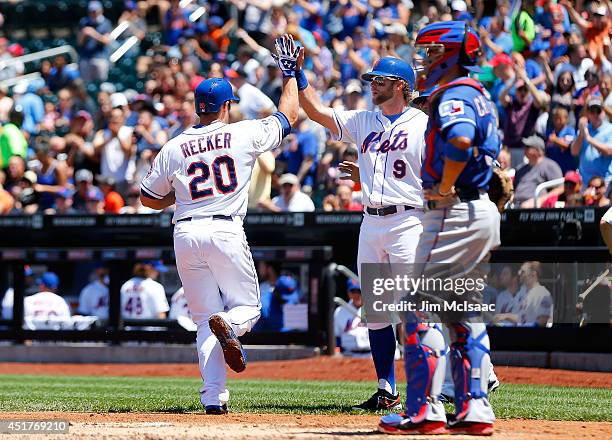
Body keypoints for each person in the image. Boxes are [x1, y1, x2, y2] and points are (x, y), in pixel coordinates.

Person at [139, 34, 301, 414]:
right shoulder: (242, 132)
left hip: (185, 230)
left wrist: (177, 198)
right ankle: (230, 324)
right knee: (247, 309)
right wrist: (290, 73)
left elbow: (147, 198)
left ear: (198, 107)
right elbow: (289, 117)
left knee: (202, 320)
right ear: (227, 105)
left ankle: (214, 399)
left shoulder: (174, 145)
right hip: (225, 228)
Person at [378, 22, 500, 435]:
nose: (425, 60)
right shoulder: (478, 94)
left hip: (453, 210)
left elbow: (461, 140)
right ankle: (475, 407)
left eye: (431, 53)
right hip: (476, 210)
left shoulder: (457, 93)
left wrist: (446, 184)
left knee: (416, 306)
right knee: (459, 311)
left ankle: (423, 408)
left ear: (449, 54)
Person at [297, 53, 427, 411]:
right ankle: (387, 388)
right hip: (370, 221)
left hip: (408, 221)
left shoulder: (423, 124)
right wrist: (298, 76)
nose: (373, 85)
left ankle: (442, 382)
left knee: (418, 307)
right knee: (377, 311)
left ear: (402, 86)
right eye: (372, 79)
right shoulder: (364, 120)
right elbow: (317, 112)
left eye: (381, 80)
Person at [513, 135, 563, 208]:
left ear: (537, 150)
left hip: (534, 208)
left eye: (528, 147)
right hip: (515, 206)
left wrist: (540, 200)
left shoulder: (549, 166)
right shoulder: (520, 169)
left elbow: (561, 188)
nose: (524, 149)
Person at [571, 97, 612, 185]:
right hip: (585, 182)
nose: (595, 114)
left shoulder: (610, 129)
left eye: (598, 111)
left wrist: (589, 139)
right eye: (592, 111)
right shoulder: (584, 129)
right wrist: (581, 135)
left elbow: (609, 151)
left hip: (604, 182)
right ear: (588, 114)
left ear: (603, 112)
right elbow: (574, 152)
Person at [333, 278, 370, 355]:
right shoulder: (340, 311)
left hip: (371, 355)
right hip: (349, 354)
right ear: (348, 293)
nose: (357, 295)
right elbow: (337, 337)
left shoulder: (374, 309)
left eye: (359, 291)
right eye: (353, 291)